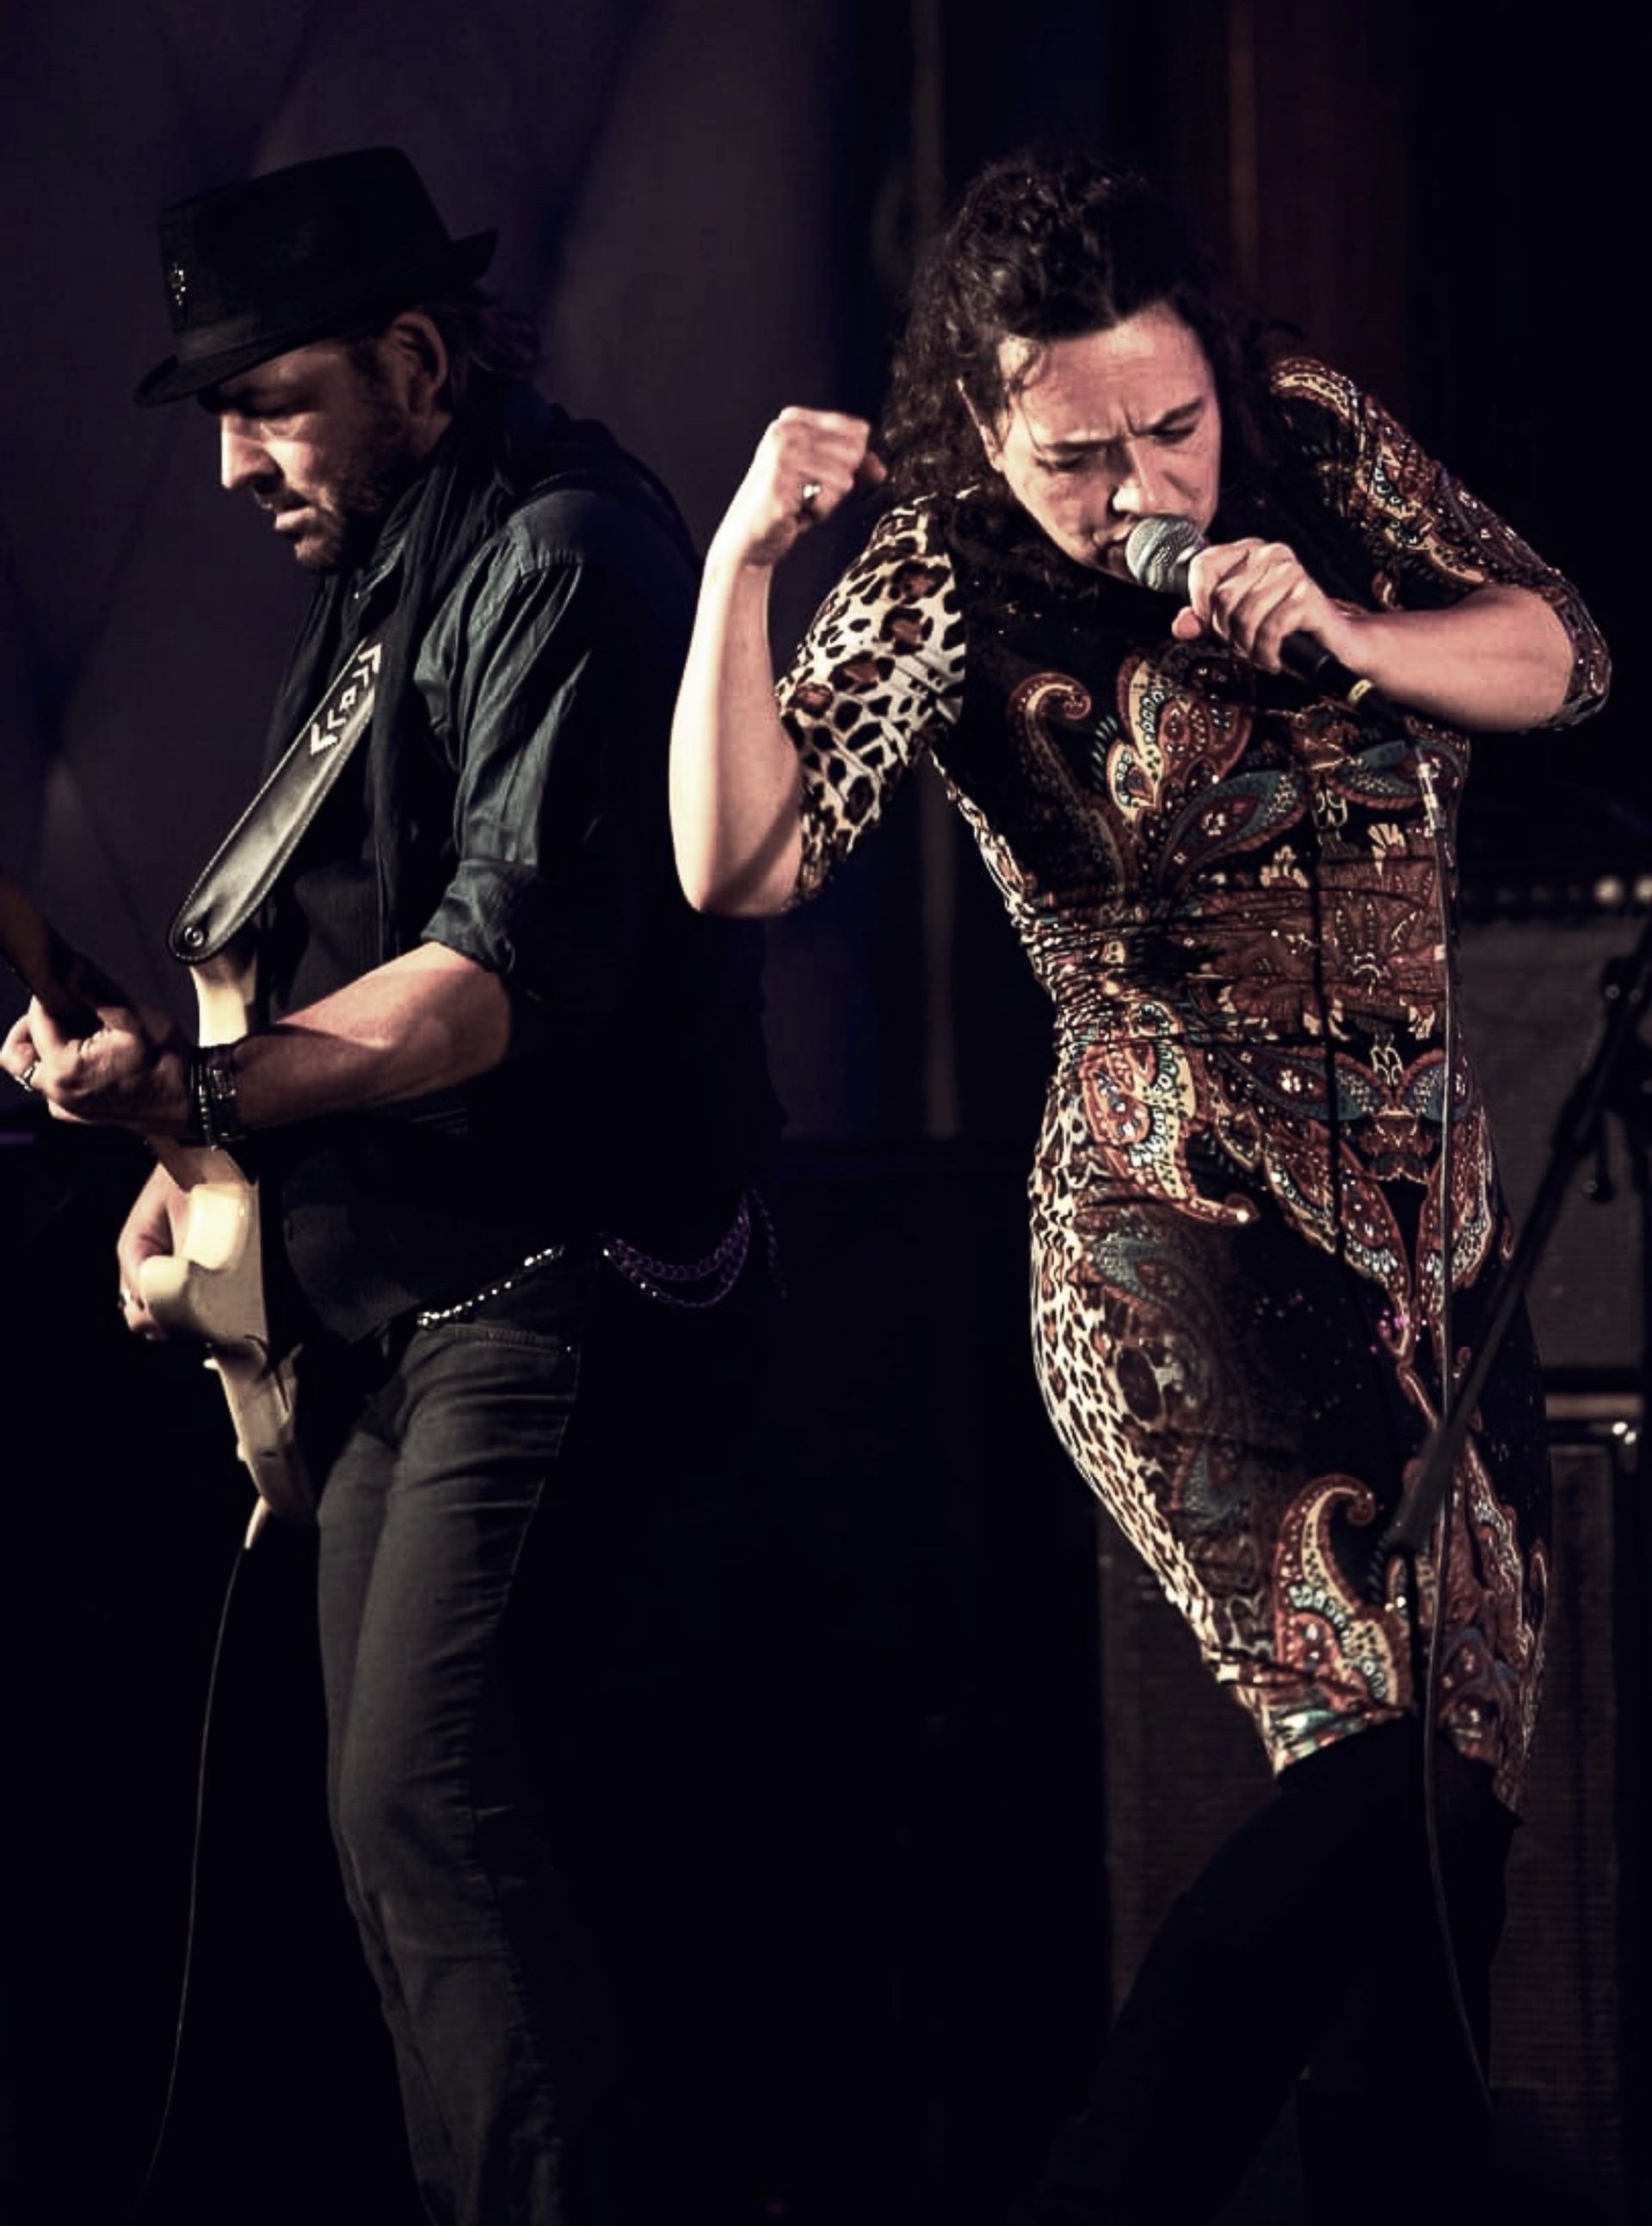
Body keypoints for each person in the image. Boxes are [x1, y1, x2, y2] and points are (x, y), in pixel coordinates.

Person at [669, 150, 1610, 2222]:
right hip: (1171, 1219)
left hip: (1431, 1237)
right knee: (1377, 1761)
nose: (1135, 482)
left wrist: (1355, 627)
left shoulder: (1317, 439)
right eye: (1073, 450)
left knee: (1458, 1827)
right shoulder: (939, 568)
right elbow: (742, 862)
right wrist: (744, 563)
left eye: (1168, 426)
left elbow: (1567, 656)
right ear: (987, 427)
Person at [2, 147, 777, 2225]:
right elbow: (317, 949)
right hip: (395, 1298)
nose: (239, 460)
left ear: (417, 358)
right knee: (385, 1838)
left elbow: (482, 989)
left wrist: (220, 1093)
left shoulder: (561, 554)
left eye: (274, 399)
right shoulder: (384, 567)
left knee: (420, 1800)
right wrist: (173, 1136)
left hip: (555, 1279)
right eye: (221, 415)